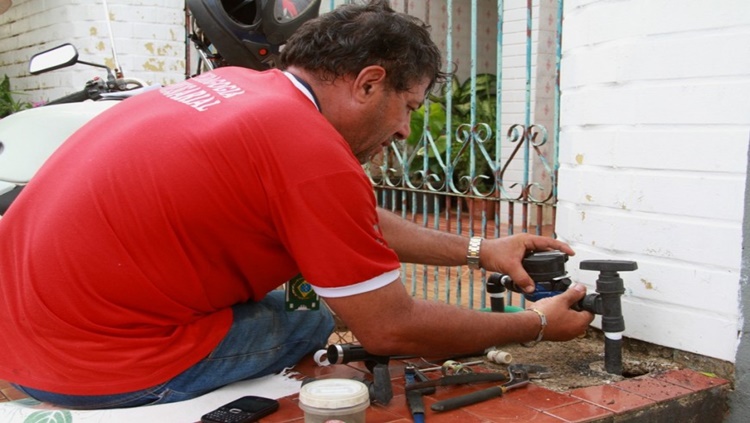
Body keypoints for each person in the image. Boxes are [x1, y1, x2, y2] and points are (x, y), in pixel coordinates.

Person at [0, 0, 593, 410]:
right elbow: (389, 327)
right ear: (367, 83)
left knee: (295, 296)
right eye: (408, 107)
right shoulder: (309, 151)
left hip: (22, 331)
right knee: (307, 318)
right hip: (88, 367)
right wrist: (536, 325)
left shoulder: (246, 91)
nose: (408, 131)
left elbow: (348, 214)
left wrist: (480, 250)